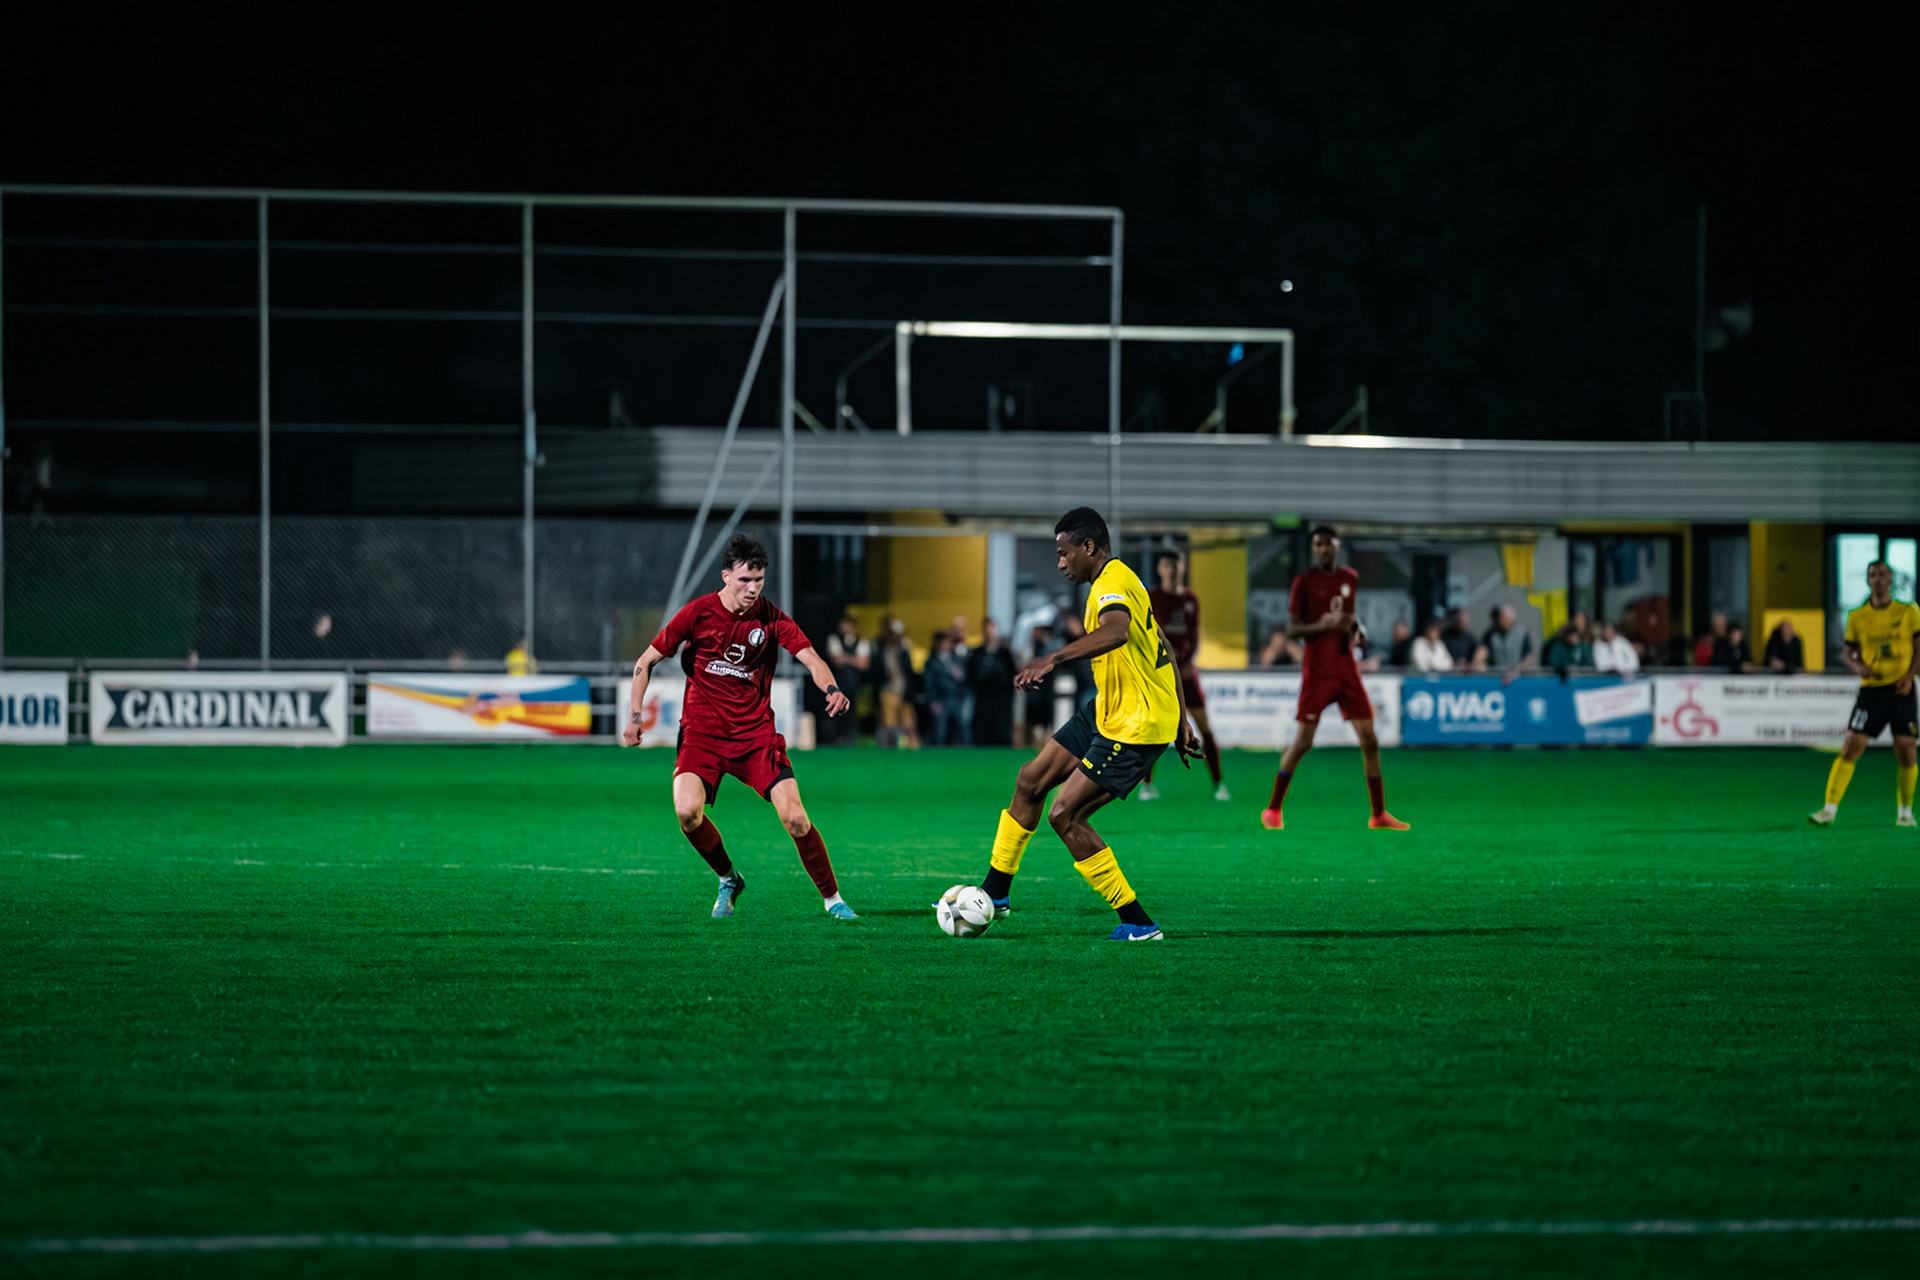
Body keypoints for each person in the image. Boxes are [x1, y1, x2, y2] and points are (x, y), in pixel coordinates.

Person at [975, 507, 1200, 941]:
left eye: (1064, 553)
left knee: (1065, 815)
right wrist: (1183, 717)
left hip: (1133, 725)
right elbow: (1164, 646)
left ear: (1088, 547)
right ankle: (995, 893)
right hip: (1110, 708)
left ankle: (1137, 921)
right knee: (1030, 781)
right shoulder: (1124, 577)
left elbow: (1116, 632)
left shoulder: (1112, 586)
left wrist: (1052, 658)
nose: (1060, 563)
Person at [622, 534, 859, 919]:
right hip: (702, 735)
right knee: (687, 813)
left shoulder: (770, 618)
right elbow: (644, 662)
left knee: (796, 818)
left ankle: (834, 899)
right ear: (726, 576)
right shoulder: (697, 614)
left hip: (755, 736)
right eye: (745, 580)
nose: (753, 589)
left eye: (759, 580)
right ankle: (729, 878)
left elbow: (811, 657)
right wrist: (635, 716)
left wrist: (831, 686)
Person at [1262, 525, 1409, 833]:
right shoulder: (1304, 584)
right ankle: (1273, 808)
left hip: (1347, 670)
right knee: (1303, 742)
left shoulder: (1349, 579)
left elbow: (1349, 620)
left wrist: (1358, 633)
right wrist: (1324, 623)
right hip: (1317, 673)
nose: (1323, 549)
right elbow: (1292, 629)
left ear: (1337, 546)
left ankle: (1379, 813)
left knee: (1369, 739)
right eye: (1318, 544)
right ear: (1313, 548)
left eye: (1328, 544)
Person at [1810, 559, 1918, 828]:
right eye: (1873, 574)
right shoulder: (1857, 616)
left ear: (1891, 579)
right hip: (1871, 691)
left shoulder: (1909, 611)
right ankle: (1828, 810)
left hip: (1901, 688)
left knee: (1906, 750)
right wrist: (1858, 666)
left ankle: (1905, 813)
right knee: (1851, 746)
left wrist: (1908, 677)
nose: (1878, 578)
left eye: (1883, 574)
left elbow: (1919, 647)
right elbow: (1849, 652)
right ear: (1868, 580)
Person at [1141, 549, 1228, 801]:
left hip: (1187, 675)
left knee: (1205, 727)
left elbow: (1194, 636)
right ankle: (1147, 784)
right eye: (1168, 565)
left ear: (1183, 567)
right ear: (1160, 569)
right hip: (1160, 674)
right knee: (1153, 729)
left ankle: (1218, 783)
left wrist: (1188, 661)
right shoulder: (1151, 597)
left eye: (1176, 565)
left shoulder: (1191, 599)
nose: (1173, 569)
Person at [967, 618, 1017, 746]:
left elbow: (1011, 675)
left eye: (992, 628)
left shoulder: (1005, 654)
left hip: (1001, 701)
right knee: (982, 733)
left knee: (1001, 732)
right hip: (982, 699)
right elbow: (971, 675)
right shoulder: (977, 653)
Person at [823, 616, 871, 744]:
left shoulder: (862, 642)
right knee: (834, 712)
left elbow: (864, 664)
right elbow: (836, 660)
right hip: (837, 684)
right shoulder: (834, 639)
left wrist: (845, 658)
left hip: (855, 686)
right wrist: (854, 659)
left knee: (853, 713)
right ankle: (835, 739)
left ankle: (851, 738)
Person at [876, 619, 919, 749]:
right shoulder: (882, 651)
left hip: (904, 691)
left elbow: (910, 672)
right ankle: (889, 748)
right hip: (888, 690)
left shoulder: (905, 652)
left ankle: (913, 747)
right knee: (889, 724)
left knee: (909, 722)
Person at [923, 630, 971, 746]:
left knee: (963, 729)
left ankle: (968, 755)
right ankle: (938, 757)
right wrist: (932, 701)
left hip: (956, 698)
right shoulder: (932, 662)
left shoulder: (955, 658)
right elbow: (928, 683)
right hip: (941, 700)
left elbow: (965, 675)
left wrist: (961, 675)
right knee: (940, 732)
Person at [1018, 623, 1061, 745]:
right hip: (1033, 690)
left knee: (1047, 719)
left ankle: (1045, 743)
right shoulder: (1030, 647)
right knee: (1031, 718)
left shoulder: (1051, 647)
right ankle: (1030, 743)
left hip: (1047, 690)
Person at [1483, 605, 1535, 683]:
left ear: (1512, 619)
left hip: (1517, 679)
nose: (1502, 621)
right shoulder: (1491, 634)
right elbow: (1482, 654)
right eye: (1501, 618)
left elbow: (1528, 659)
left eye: (1505, 618)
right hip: (1496, 678)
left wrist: (1515, 673)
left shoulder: (1522, 633)